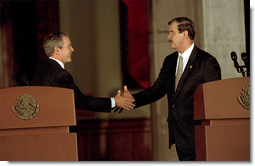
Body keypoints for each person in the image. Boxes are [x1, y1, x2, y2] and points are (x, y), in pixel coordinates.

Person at [122, 17, 221, 161]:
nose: (168, 37)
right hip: (179, 135)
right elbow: (156, 90)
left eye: (172, 33)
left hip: (199, 135)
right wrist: (134, 99)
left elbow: (215, 100)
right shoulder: (169, 61)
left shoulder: (206, 62)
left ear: (185, 34)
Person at [31, 32, 135, 112]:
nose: (72, 49)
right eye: (69, 46)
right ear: (57, 50)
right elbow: (81, 101)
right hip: (58, 131)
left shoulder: (39, 72)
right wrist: (114, 102)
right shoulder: (60, 74)